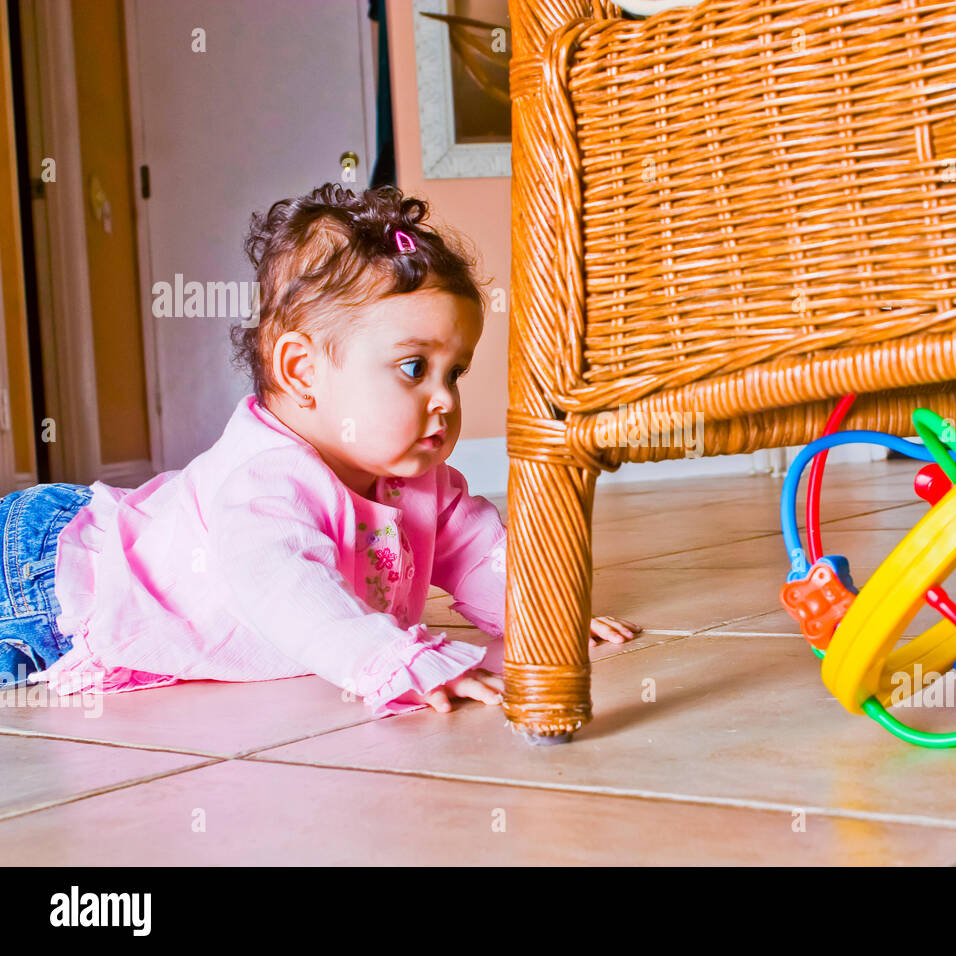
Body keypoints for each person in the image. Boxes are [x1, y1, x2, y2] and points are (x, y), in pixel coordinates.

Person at [1, 184, 638, 716]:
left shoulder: (419, 479)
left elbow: (478, 550)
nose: (443, 398)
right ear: (302, 371)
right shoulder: (264, 483)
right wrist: (389, 659)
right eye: (414, 368)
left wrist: (535, 613)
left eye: (456, 372)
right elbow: (289, 587)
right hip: (48, 579)